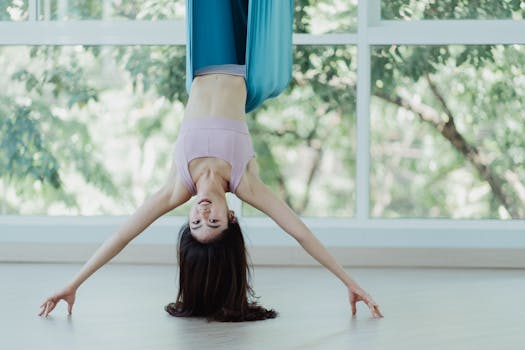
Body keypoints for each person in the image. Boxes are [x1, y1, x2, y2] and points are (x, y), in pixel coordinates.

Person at [38, 65, 383, 321]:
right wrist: (349, 282)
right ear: (231, 217)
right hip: (244, 58)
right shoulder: (246, 183)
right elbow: (300, 233)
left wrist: (74, 283)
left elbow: (121, 235)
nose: (203, 213)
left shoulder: (176, 187)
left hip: (204, 54)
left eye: (197, 223)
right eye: (213, 221)